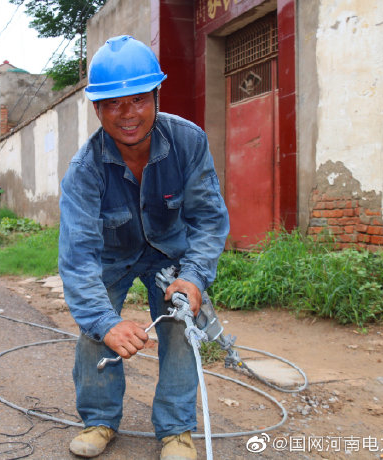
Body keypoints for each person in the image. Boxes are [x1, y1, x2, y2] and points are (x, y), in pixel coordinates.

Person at [58, 35, 230, 459]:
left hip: (171, 252)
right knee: (96, 328)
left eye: (138, 100)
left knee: (181, 325)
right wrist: (105, 322)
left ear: (156, 96)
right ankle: (99, 420)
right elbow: (78, 259)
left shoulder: (188, 142)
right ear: (97, 110)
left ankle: (176, 430)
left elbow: (208, 219)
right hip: (110, 256)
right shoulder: (84, 171)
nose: (128, 114)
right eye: (113, 104)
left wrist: (194, 277)